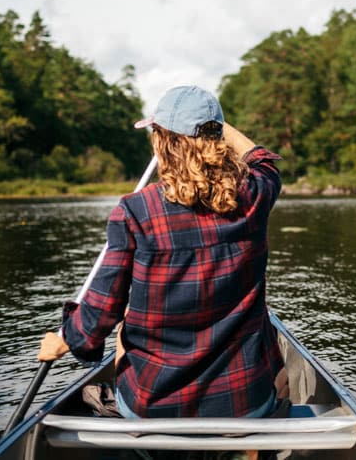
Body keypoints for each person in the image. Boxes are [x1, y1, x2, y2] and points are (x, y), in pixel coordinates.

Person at [37, 85, 286, 421]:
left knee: (126, 319)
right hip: (244, 403)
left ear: (162, 142)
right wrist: (214, 125)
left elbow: (99, 317)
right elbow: (262, 159)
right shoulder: (254, 196)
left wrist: (66, 338)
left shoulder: (135, 212)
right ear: (217, 141)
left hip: (154, 406)